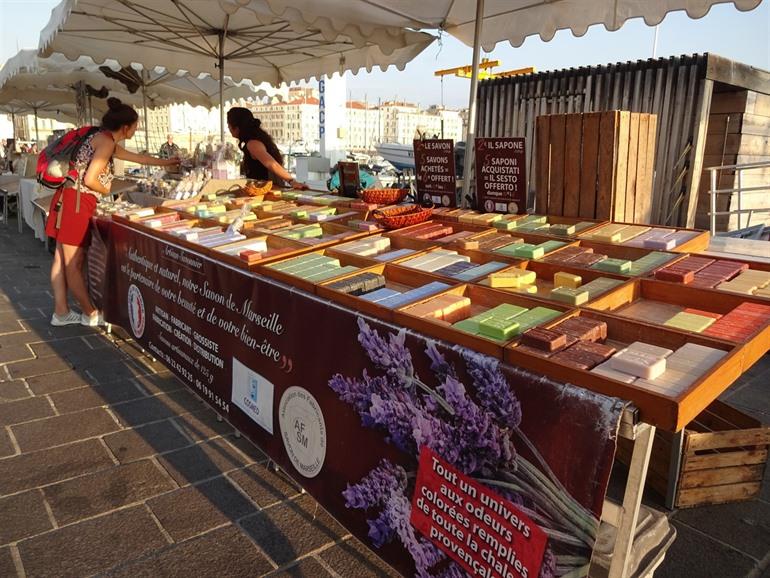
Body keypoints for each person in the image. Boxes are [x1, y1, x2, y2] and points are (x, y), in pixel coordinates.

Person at [46, 97, 178, 327]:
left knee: (61, 257)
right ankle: (91, 313)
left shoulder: (100, 138)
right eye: (136, 125)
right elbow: (91, 178)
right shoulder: (106, 144)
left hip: (68, 199)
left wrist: (167, 163)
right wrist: (105, 187)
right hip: (78, 203)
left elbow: (138, 158)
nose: (137, 129)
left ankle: (61, 311)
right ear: (126, 127)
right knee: (74, 263)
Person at [226, 107, 307, 188]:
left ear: (236, 127)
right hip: (268, 188)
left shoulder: (252, 143)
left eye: (229, 125)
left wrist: (292, 181)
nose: (228, 128)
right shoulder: (258, 138)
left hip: (265, 189)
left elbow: (272, 164)